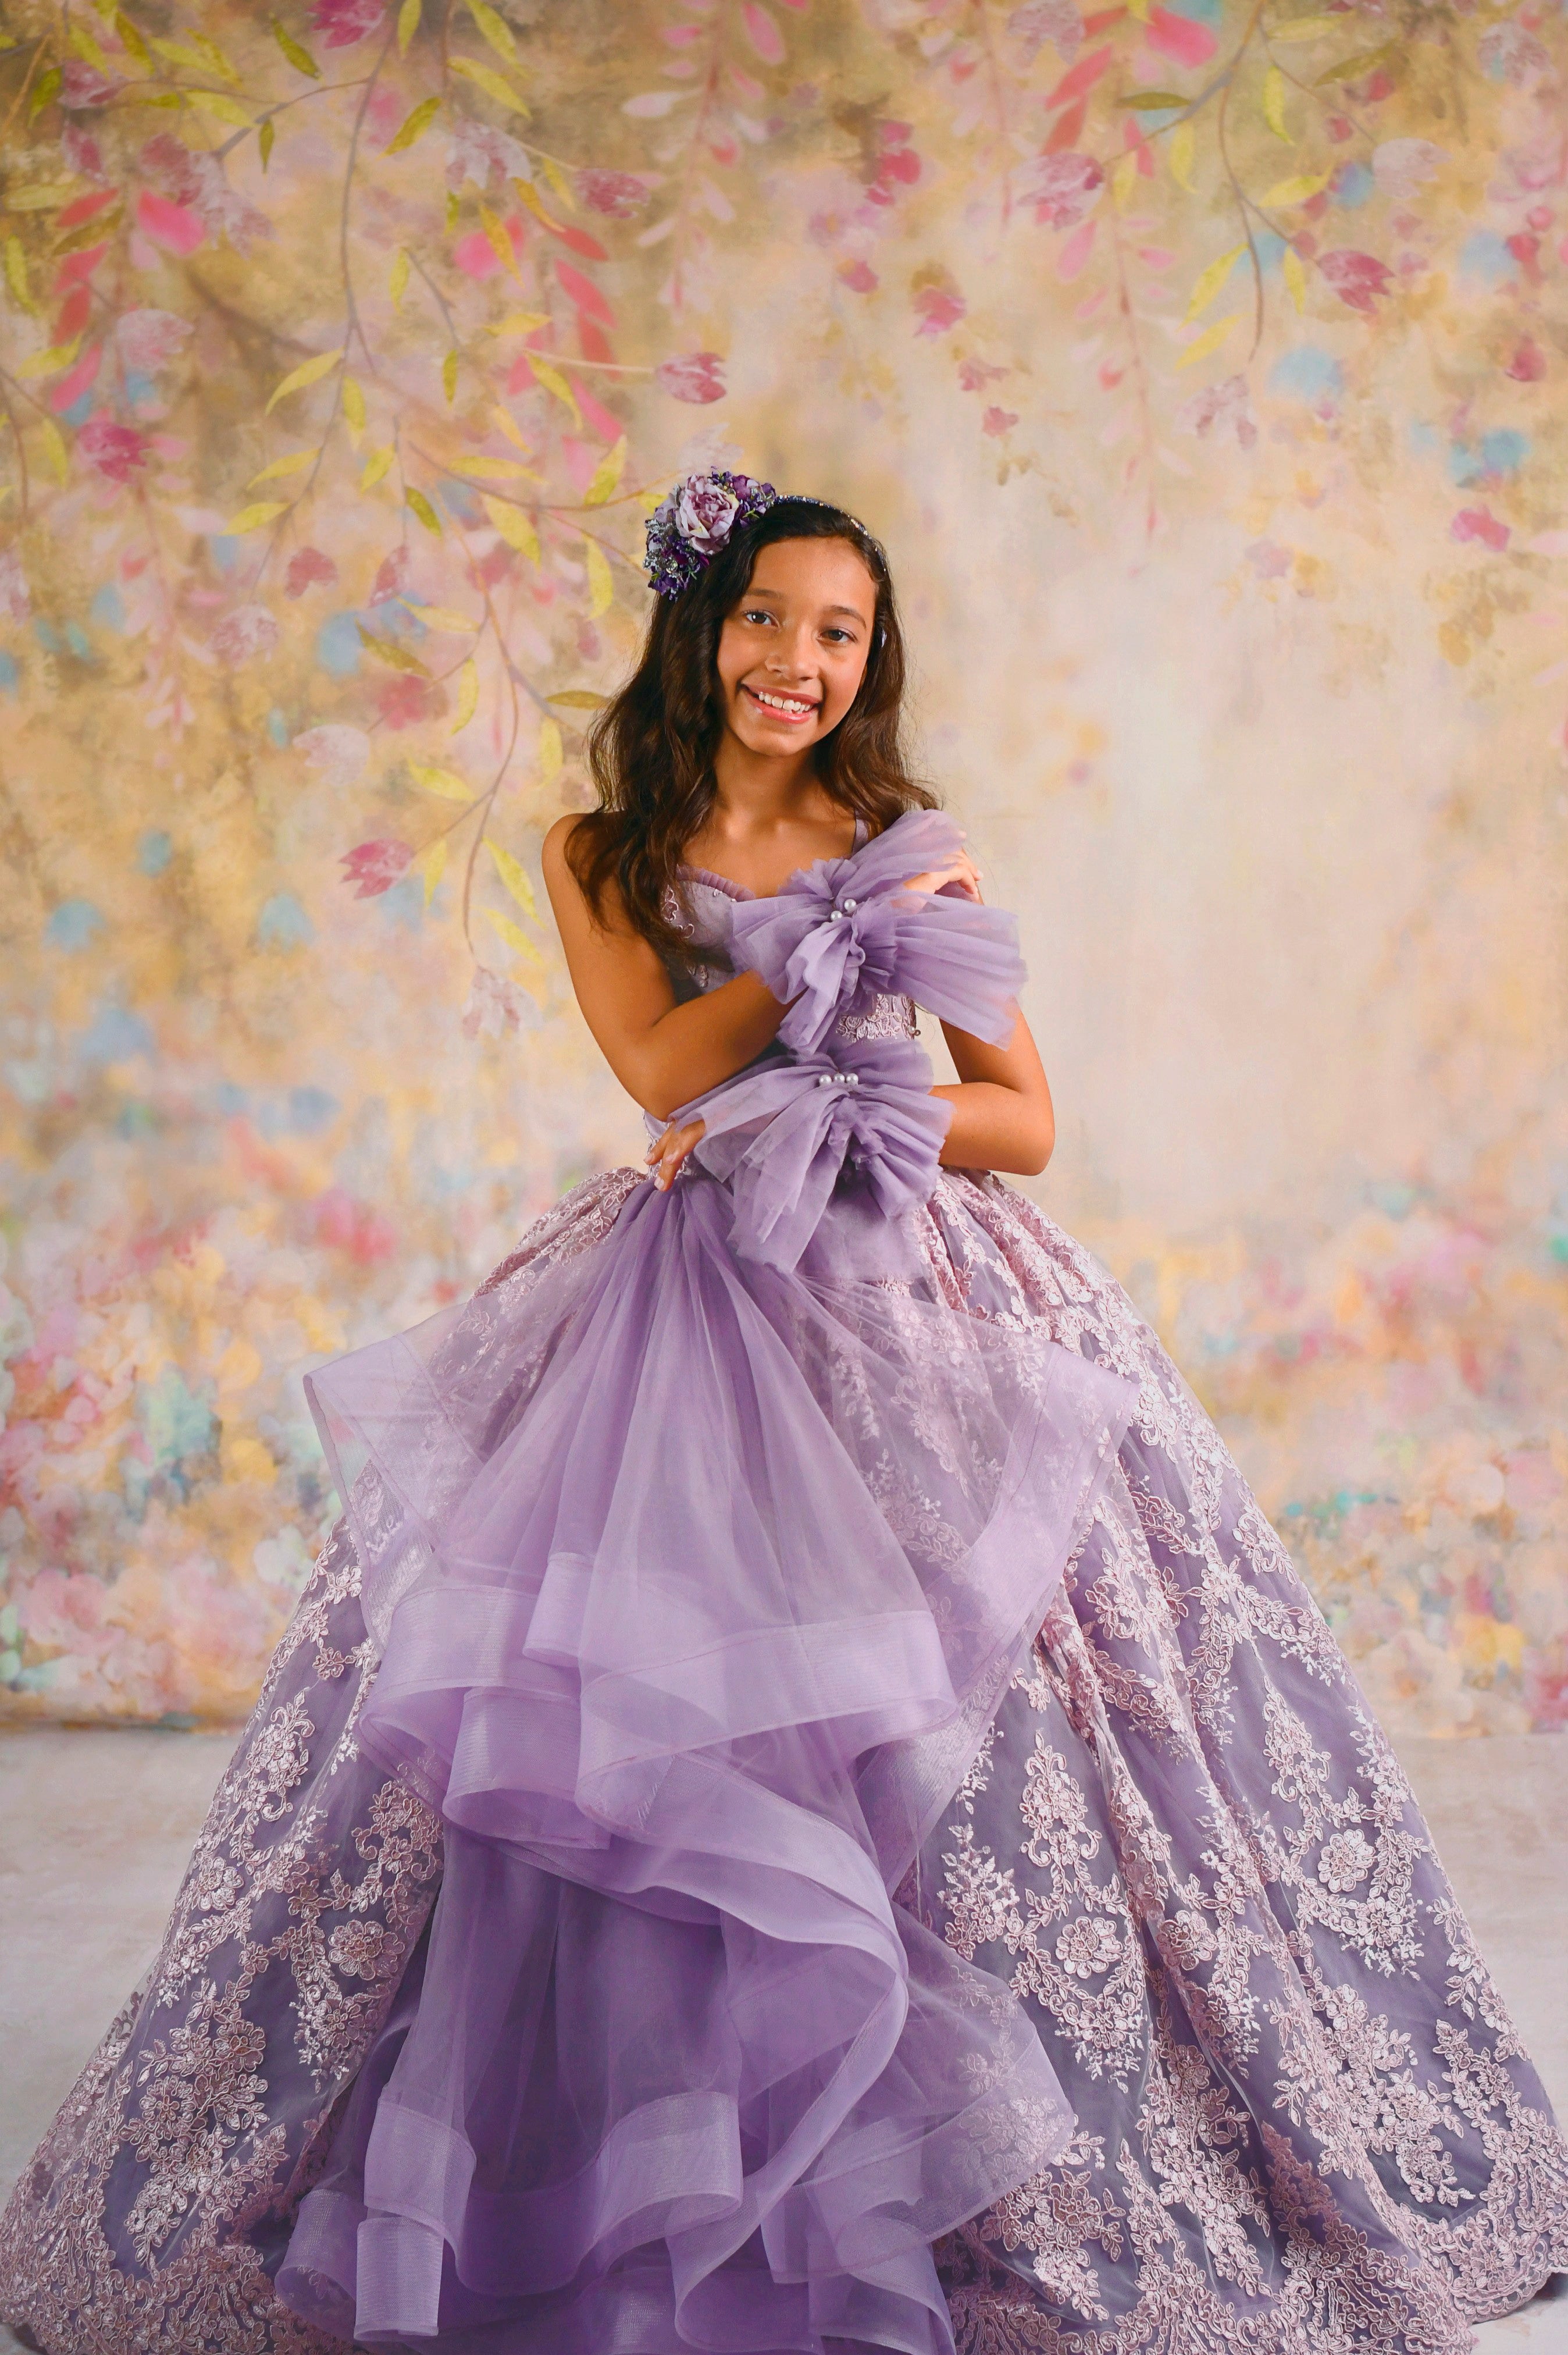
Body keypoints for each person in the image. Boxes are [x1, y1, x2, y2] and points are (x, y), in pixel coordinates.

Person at [2, 476, 1563, 2355]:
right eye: (767, 620)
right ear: (702, 624)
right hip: (679, 1320)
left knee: (957, 1723)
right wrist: (819, 951)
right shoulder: (604, 846)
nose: (799, 663)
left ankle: (958, 2174)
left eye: (838, 634)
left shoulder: (911, 838)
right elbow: (655, 1069)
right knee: (642, 1714)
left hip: (912, 1295)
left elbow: (1025, 1119)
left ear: (866, 660)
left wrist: (867, 1101)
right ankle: (624, 2157)